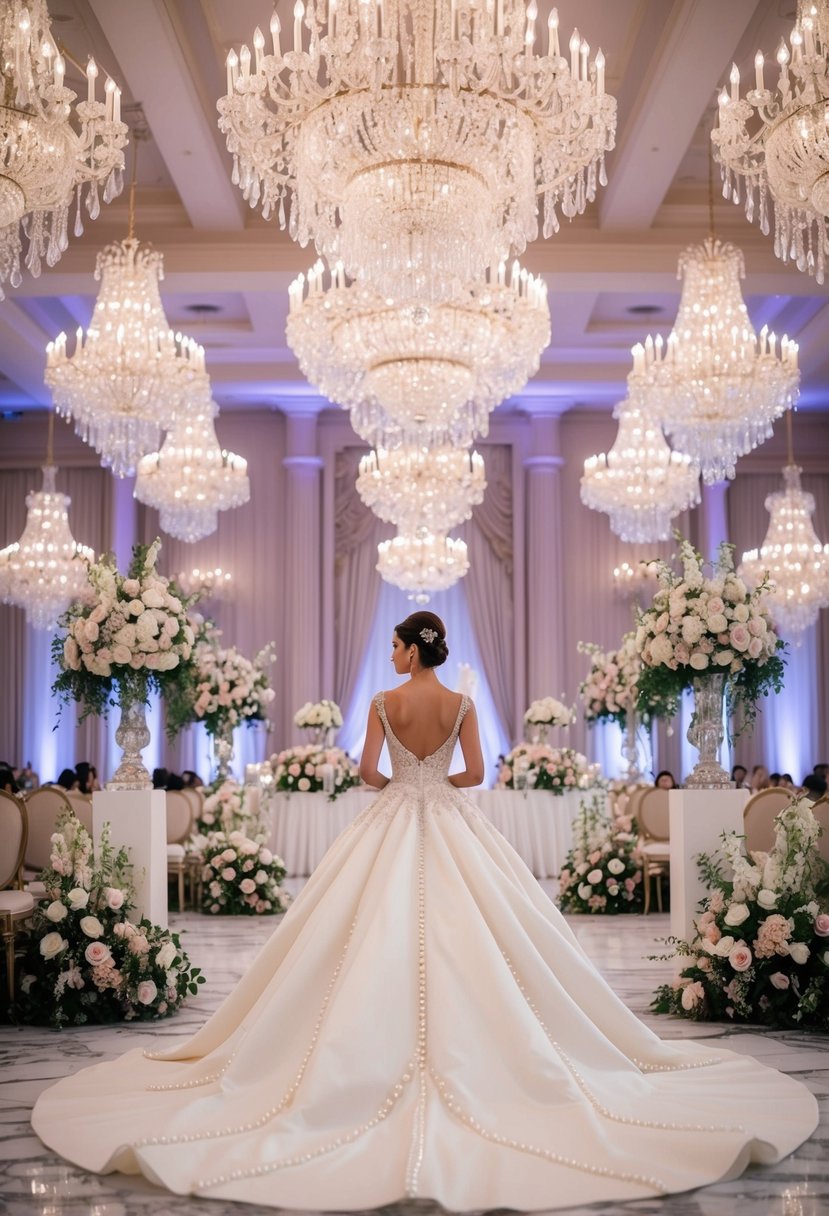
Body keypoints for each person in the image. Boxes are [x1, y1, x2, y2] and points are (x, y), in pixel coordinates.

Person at [32, 611, 817, 1210]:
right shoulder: (463, 702)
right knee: (489, 934)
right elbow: (473, 774)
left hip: (390, 820)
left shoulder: (380, 700)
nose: (393, 656)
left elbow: (370, 777)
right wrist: (434, 780)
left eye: (397, 646)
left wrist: (399, 777)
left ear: (410, 648)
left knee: (352, 932)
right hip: (447, 818)